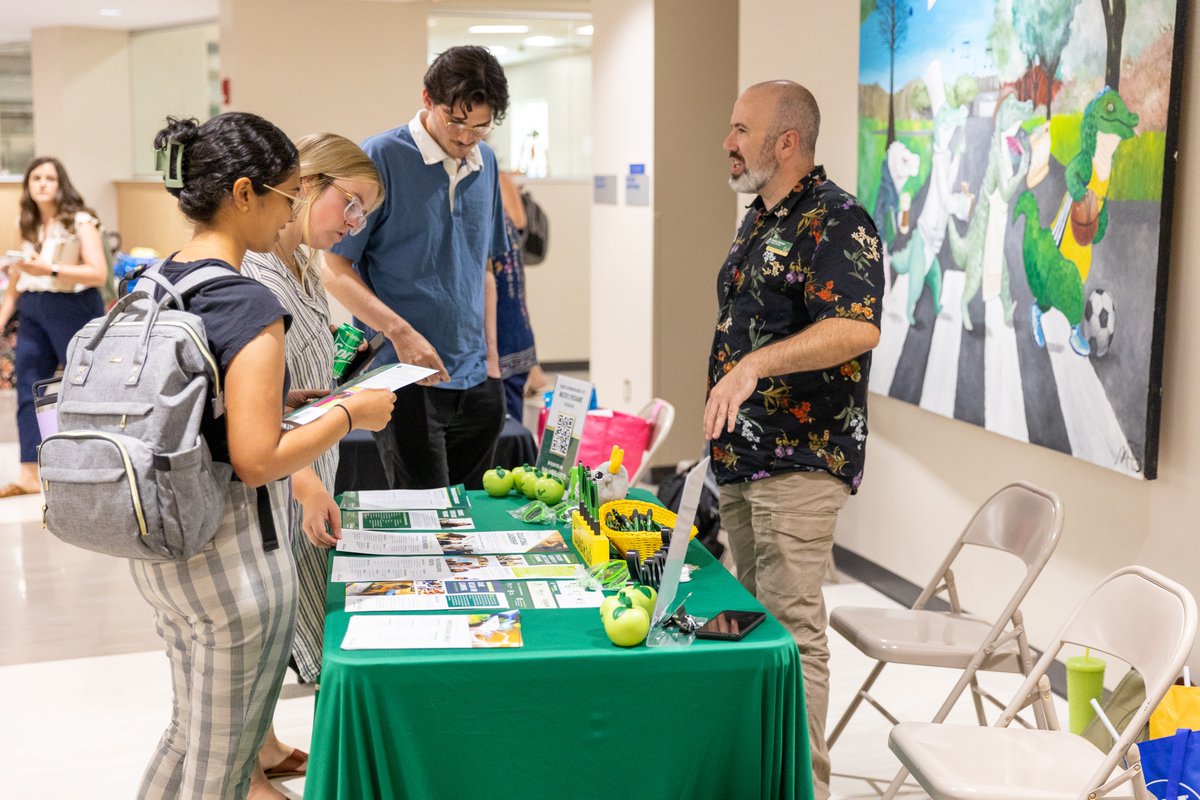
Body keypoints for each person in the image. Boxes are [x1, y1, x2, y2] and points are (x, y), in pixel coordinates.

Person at [132, 113, 395, 800]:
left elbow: (210, 411)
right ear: (245, 194)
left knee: (188, 737)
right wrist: (348, 411)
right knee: (219, 767)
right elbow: (254, 458)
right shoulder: (246, 297)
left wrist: (294, 402)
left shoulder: (159, 282)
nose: (288, 215)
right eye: (285, 197)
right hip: (227, 557)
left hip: (163, 542)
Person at [702, 81, 883, 800]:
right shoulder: (763, 216)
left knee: (792, 629)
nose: (728, 141)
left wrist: (753, 366)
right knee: (755, 623)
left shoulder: (837, 221)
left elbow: (855, 327)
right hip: (746, 460)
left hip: (800, 463)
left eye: (741, 129)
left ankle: (804, 787)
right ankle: (762, 774)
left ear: (786, 142)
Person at [239, 132, 385, 797]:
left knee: (288, 609)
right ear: (306, 185)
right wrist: (301, 482)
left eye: (364, 214)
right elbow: (256, 406)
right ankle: (245, 770)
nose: (352, 224)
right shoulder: (256, 273)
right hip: (280, 476)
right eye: (347, 204)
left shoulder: (303, 264)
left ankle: (264, 746)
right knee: (264, 622)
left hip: (307, 457)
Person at [324, 45, 510, 490]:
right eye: (456, 122)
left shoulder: (487, 164)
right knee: (428, 522)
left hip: (476, 378)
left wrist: (493, 365)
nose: (466, 138)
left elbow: (484, 268)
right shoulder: (381, 157)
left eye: (480, 126)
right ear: (428, 99)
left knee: (469, 519)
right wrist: (400, 334)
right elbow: (335, 267)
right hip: (402, 376)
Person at [0, 157, 108, 497]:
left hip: (72, 306)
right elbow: (18, 276)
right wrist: (4, 313)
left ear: (61, 183)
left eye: (49, 177)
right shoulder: (28, 223)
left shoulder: (81, 221)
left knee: (84, 387)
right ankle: (29, 474)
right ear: (28, 185)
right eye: (36, 178)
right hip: (33, 308)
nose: (43, 183)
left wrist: (51, 270)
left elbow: (98, 273)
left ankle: (99, 465)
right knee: (27, 389)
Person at [493, 169, 550, 421]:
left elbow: (518, 222)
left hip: (504, 297)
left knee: (507, 418)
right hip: (500, 301)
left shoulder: (494, 173)